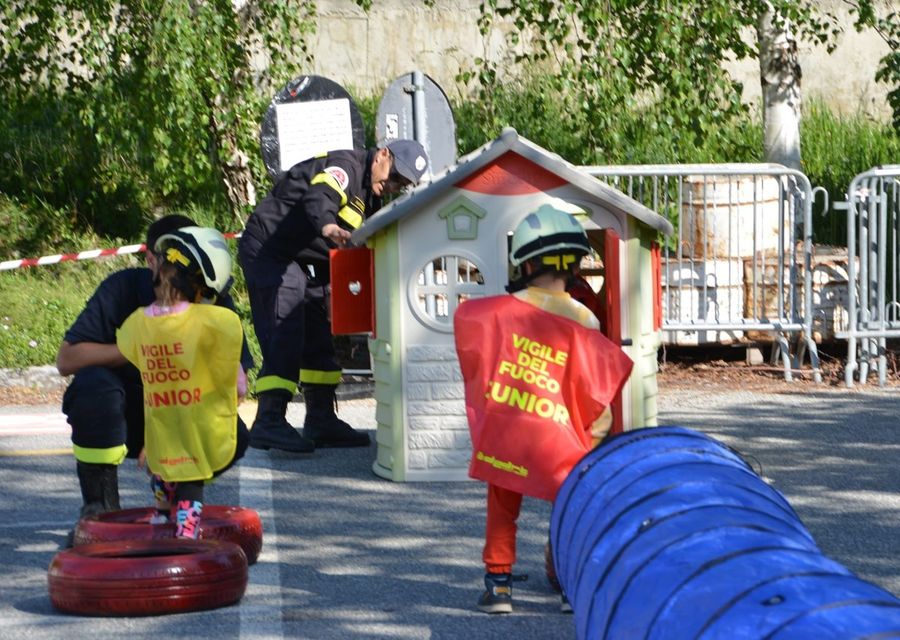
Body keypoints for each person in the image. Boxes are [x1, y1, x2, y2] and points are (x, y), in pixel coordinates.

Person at [453, 202, 634, 614]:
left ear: (526, 262)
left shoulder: (497, 312)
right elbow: (591, 389)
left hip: (511, 433)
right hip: (562, 440)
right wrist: (595, 437)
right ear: (573, 266)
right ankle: (570, 588)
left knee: (502, 507)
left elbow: (475, 348)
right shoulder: (584, 320)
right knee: (570, 510)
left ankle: (498, 586)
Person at [56, 214, 254, 545]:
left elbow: (235, 385)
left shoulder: (212, 298)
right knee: (93, 387)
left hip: (184, 418)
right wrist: (146, 345)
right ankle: (99, 508)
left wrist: (178, 438)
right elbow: (67, 360)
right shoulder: (123, 290)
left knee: (238, 435)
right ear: (152, 260)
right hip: (126, 413)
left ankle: (177, 491)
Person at [239, 139, 429, 453]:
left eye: (403, 185)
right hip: (270, 250)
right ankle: (268, 421)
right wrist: (327, 226)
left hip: (305, 261)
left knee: (318, 334)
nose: (394, 186)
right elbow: (320, 195)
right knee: (285, 329)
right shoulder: (346, 167)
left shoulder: (372, 192)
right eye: (395, 176)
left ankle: (321, 418)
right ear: (383, 154)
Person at [116, 226, 247, 538]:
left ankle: (161, 516)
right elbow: (238, 383)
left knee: (165, 468)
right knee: (192, 479)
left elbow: (133, 354)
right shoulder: (216, 323)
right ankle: (186, 534)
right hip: (197, 428)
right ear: (203, 284)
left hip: (159, 427)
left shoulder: (136, 323)